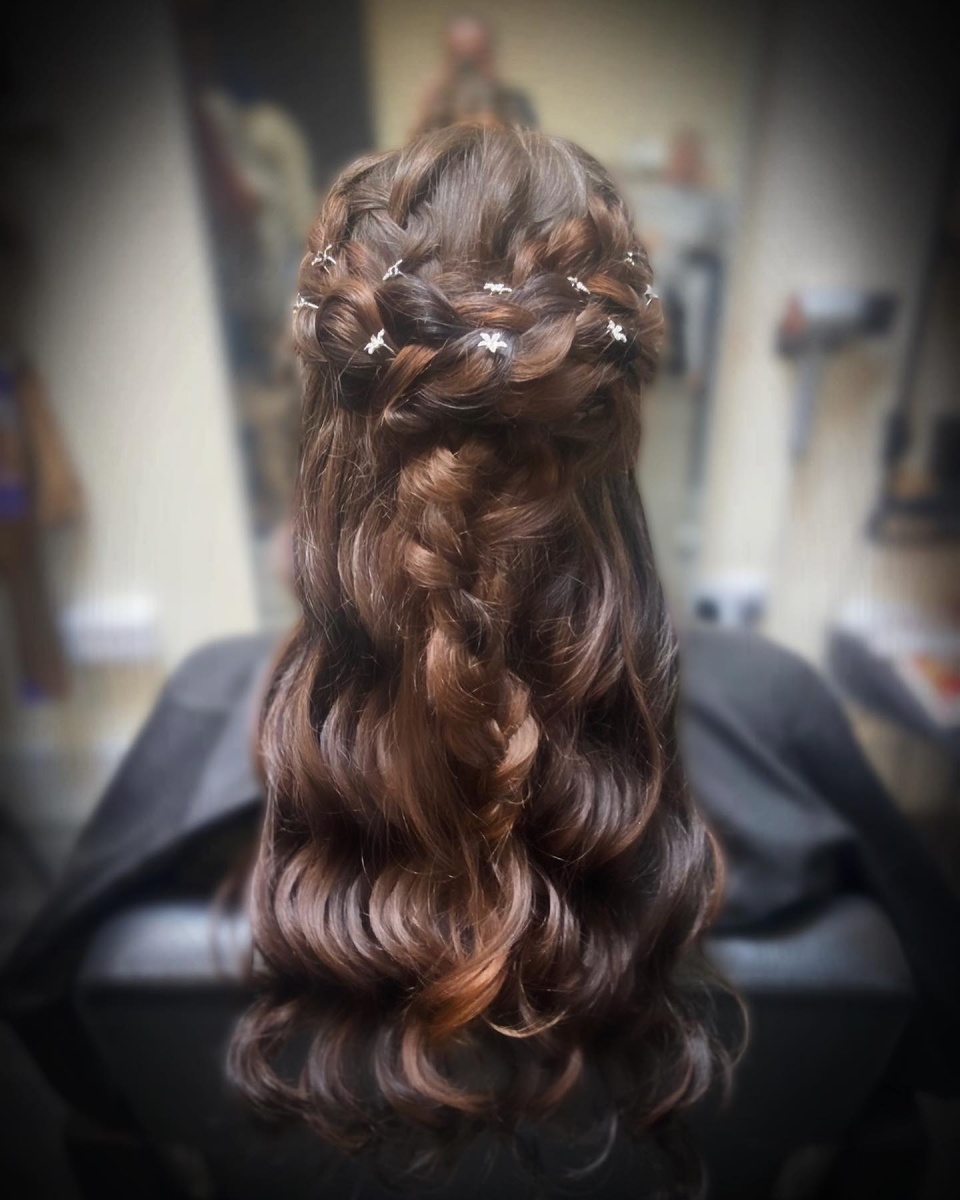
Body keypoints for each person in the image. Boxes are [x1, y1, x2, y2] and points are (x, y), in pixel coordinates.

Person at [3, 124, 960, 1198]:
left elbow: (73, 1038)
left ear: (333, 423)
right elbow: (913, 1041)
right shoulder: (775, 714)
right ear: (618, 415)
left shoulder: (203, 713)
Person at [412, 15, 537, 136]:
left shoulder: (514, 101)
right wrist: (429, 108)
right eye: (460, 57)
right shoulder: (436, 104)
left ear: (490, 54)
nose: (469, 67)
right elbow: (415, 149)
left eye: (477, 55)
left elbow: (531, 150)